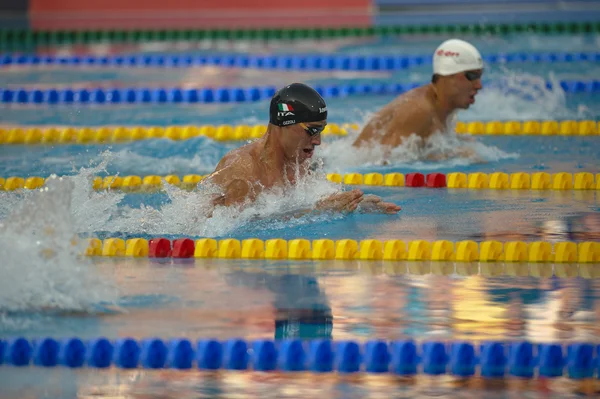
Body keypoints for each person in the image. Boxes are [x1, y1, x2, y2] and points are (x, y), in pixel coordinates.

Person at [202, 82, 401, 215]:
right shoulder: (243, 170)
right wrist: (320, 210)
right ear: (284, 125)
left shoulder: (297, 161)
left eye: (321, 129)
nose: (318, 141)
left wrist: (357, 206)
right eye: (312, 130)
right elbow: (238, 231)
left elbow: (296, 206)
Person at [352, 39, 484, 154]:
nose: (479, 85)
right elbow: (383, 165)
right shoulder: (419, 111)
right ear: (448, 76)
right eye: (472, 76)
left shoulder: (441, 108)